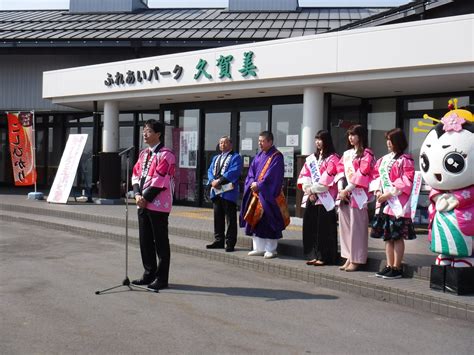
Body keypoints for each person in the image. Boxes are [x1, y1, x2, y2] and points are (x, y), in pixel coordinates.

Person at [131, 119, 176, 291]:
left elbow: (160, 179)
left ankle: (162, 278)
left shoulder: (166, 155)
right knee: (145, 241)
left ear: (158, 134)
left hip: (158, 204)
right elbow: (135, 175)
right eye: (144, 130)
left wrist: (145, 198)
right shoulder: (143, 154)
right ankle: (148, 273)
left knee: (161, 242)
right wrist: (136, 194)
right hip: (141, 202)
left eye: (148, 130)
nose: (145, 133)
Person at [370, 128, 417, 279]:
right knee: (387, 236)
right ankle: (389, 266)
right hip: (385, 203)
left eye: (390, 140)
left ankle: (397, 267)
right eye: (387, 140)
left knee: (397, 236)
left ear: (398, 141)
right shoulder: (383, 160)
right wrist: (378, 192)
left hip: (397, 204)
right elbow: (376, 176)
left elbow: (407, 180)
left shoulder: (406, 159)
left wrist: (389, 194)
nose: (388, 143)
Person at [239, 131, 285, 259]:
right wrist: (252, 183)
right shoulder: (258, 155)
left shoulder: (276, 156)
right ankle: (258, 247)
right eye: (259, 141)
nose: (259, 143)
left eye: (262, 141)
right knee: (256, 221)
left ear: (270, 142)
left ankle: (271, 249)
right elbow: (251, 173)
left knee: (269, 221)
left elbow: (273, 176)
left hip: (268, 195)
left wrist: (259, 185)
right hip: (256, 194)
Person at [336, 124, 375, 272]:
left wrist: (347, 189)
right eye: (349, 135)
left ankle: (357, 258)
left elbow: (363, 173)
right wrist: (341, 190)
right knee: (345, 226)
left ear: (361, 136)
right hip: (344, 195)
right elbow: (339, 171)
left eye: (354, 135)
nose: (350, 138)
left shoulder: (367, 154)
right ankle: (348, 256)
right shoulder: (346, 154)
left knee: (357, 228)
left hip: (358, 195)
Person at [297, 130, 340, 266]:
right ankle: (313, 254)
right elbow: (305, 176)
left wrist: (313, 190)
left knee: (324, 229)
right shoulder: (311, 158)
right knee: (311, 227)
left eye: (320, 139)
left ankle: (324, 256)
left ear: (326, 140)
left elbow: (327, 181)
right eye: (316, 139)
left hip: (326, 200)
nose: (317, 142)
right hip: (312, 198)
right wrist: (309, 190)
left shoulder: (333, 159)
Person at [206, 136, 243, 252]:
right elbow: (210, 171)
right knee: (218, 217)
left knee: (230, 219)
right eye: (221, 143)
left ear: (231, 144)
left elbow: (234, 171)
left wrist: (219, 181)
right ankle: (219, 240)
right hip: (216, 192)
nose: (223, 145)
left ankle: (230, 242)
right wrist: (212, 181)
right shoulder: (216, 157)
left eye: (225, 143)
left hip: (228, 192)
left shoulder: (236, 157)